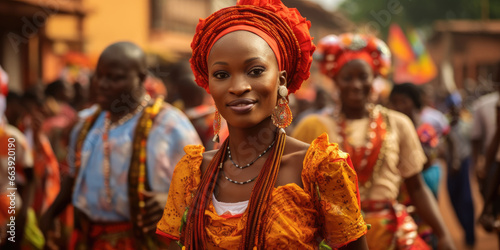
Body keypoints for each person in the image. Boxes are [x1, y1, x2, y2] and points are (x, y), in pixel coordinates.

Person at [156, 1, 368, 249]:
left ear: (281, 80)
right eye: (222, 75)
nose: (238, 87)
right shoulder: (192, 173)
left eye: (255, 71)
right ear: (209, 85)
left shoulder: (320, 169)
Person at [292, 33, 455, 250]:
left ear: (374, 78)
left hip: (392, 234)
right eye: (347, 78)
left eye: (363, 76)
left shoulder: (398, 123)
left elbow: (416, 187)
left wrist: (443, 234)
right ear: (335, 80)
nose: (356, 85)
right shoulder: (313, 126)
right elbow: (294, 188)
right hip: (336, 238)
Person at [40, 42, 201, 249]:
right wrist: (51, 213)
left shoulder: (169, 125)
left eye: (115, 78)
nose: (102, 84)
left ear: (141, 78)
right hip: (90, 240)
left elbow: (202, 186)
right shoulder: (86, 124)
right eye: (99, 76)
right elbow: (74, 176)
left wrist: (172, 203)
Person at [443, 91, 476, 247]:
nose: (454, 110)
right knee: (453, 198)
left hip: (464, 164)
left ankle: (470, 234)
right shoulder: (445, 125)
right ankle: (465, 227)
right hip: (450, 166)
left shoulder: (467, 124)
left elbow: (475, 144)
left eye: (456, 106)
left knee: (466, 199)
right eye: (451, 107)